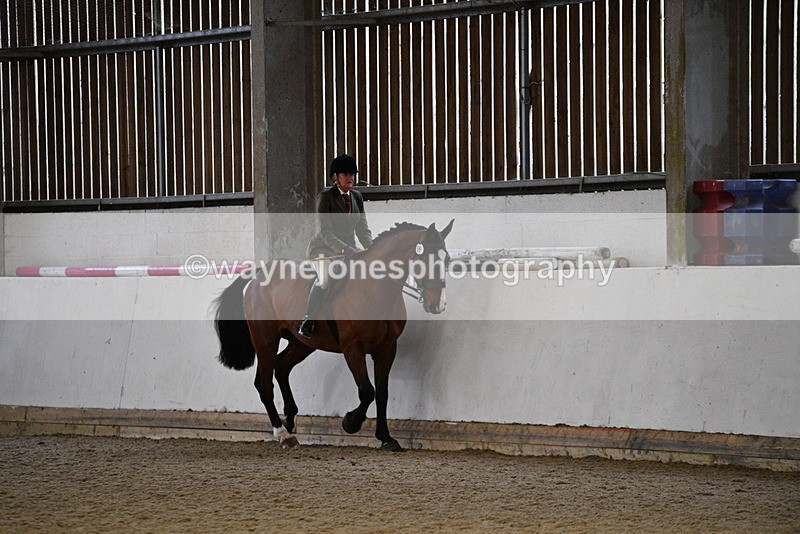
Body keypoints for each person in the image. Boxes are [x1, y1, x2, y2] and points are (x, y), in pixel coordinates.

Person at [298, 154, 373, 338]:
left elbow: (363, 228)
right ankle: (308, 319)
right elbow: (326, 233)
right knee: (324, 279)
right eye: (345, 174)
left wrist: (372, 248)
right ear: (335, 177)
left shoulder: (357, 196)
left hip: (349, 249)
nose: (350, 178)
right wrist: (345, 249)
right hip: (324, 249)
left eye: (352, 174)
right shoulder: (325, 198)